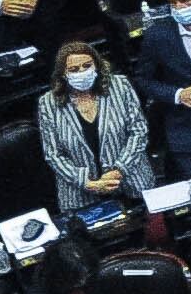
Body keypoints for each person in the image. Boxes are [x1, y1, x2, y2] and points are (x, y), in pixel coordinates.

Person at [35, 37, 153, 221]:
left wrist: (118, 170)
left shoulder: (120, 85)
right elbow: (53, 154)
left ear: (96, 66)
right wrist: (88, 183)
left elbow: (138, 131)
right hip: (81, 192)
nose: (81, 72)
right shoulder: (47, 103)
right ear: (63, 74)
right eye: (73, 70)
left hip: (131, 180)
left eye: (86, 65)